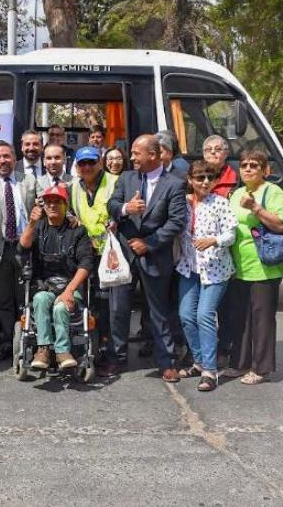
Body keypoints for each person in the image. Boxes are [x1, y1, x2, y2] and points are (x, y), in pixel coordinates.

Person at [105, 134, 187, 381]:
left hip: (155, 256)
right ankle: (117, 358)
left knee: (158, 311)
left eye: (136, 153)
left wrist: (149, 244)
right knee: (118, 309)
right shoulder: (128, 178)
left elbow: (176, 222)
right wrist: (125, 209)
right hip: (125, 254)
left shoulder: (174, 184)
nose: (131, 158)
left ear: (153, 155)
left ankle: (166, 362)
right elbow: (112, 204)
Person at [223, 150, 283, 385]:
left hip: (264, 266)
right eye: (244, 165)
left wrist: (256, 208)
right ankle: (240, 363)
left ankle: (261, 368)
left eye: (254, 165)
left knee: (262, 319)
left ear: (265, 170)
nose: (248, 169)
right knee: (240, 318)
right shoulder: (237, 192)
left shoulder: (273, 192)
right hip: (238, 266)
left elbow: (280, 225)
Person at [175, 161, 238, 391]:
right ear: (190, 180)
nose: (205, 182)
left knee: (204, 315)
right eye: (200, 178)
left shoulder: (220, 203)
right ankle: (199, 361)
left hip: (215, 270)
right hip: (189, 268)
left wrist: (214, 240)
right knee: (185, 315)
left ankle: (210, 371)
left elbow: (231, 233)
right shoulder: (183, 204)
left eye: (209, 178)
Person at [20, 184, 94, 371]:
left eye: (57, 202)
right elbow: (23, 247)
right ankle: (43, 350)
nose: (52, 206)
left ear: (65, 204)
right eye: (48, 202)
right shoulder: (38, 228)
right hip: (45, 287)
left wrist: (69, 291)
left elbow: (85, 264)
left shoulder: (77, 231)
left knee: (61, 307)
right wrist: (31, 223)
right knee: (39, 299)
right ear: (43, 206)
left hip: (71, 287)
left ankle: (62, 352)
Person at [0, 140, 38, 355]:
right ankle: (7, 340)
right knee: (3, 299)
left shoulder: (29, 180)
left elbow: (41, 204)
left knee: (25, 296)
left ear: (14, 158)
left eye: (6, 156)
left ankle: (25, 338)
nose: (2, 161)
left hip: (24, 246)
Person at [68, 146, 118, 354]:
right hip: (86, 252)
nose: (87, 167)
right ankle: (91, 339)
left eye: (91, 162)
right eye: (82, 163)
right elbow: (72, 213)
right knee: (89, 298)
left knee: (108, 301)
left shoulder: (115, 182)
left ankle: (108, 342)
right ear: (77, 167)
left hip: (111, 252)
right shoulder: (73, 187)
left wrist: (116, 221)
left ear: (100, 163)